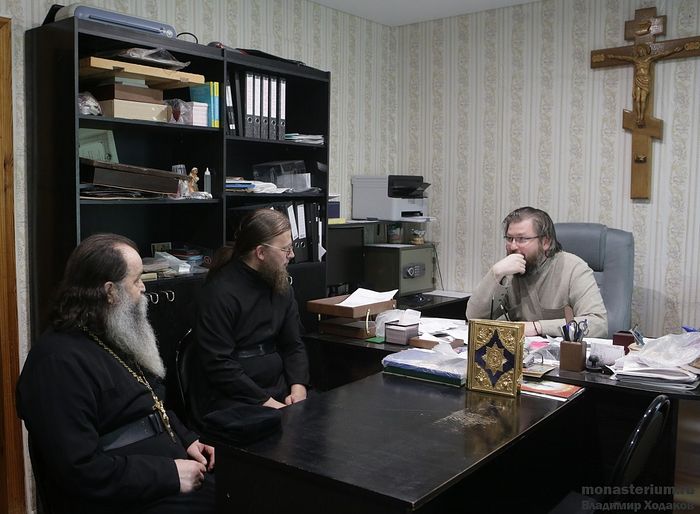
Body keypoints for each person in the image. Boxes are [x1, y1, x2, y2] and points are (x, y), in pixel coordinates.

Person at [16, 234, 216, 514]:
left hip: (164, 473)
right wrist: (169, 474)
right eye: (136, 280)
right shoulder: (56, 364)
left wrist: (186, 438)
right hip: (125, 499)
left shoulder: (112, 332)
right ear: (110, 292)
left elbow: (148, 401)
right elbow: (79, 471)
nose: (143, 288)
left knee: (250, 485)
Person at [190, 208, 310, 421]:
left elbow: (293, 344)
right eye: (285, 249)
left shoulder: (280, 284)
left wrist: (298, 388)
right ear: (260, 253)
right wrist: (269, 403)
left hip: (278, 388)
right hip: (233, 397)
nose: (291, 255)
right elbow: (219, 364)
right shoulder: (219, 293)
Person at [466, 206, 608, 338]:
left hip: (563, 354)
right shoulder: (508, 271)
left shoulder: (574, 268)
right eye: (509, 238)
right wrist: (495, 274)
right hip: (519, 352)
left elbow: (598, 324)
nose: (513, 246)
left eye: (522, 239)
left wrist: (537, 327)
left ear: (546, 242)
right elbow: (473, 318)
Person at [606, 43, 682, 127]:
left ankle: (642, 117)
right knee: (637, 100)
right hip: (638, 79)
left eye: (641, 50)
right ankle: (638, 117)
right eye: (639, 50)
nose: (640, 51)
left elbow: (662, 54)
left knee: (643, 100)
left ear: (645, 50)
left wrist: (673, 51)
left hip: (645, 80)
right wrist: (613, 56)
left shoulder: (649, 58)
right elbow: (624, 58)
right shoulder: (636, 59)